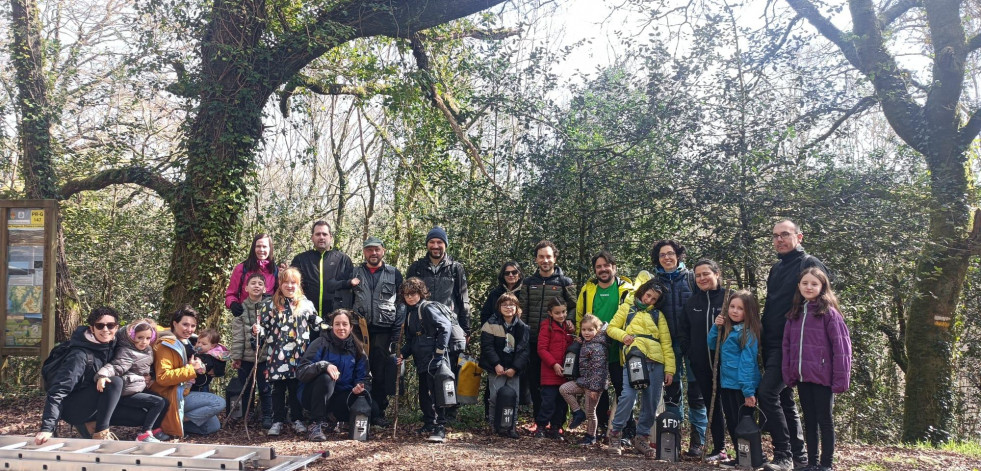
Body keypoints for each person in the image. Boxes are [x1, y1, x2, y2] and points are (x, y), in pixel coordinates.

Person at [761, 219, 830, 471]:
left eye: (785, 235)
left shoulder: (808, 264)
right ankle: (799, 456)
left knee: (767, 392)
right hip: (770, 342)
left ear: (799, 237)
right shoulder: (776, 268)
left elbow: (824, 303)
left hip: (791, 344)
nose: (779, 239)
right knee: (784, 397)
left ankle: (784, 454)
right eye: (775, 235)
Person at [37, 307, 161, 444]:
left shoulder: (113, 343)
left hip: (99, 401)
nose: (105, 330)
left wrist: (148, 376)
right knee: (115, 382)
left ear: (116, 327)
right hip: (74, 407)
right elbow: (59, 390)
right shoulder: (79, 355)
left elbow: (137, 347)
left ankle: (91, 424)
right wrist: (47, 427)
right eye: (100, 325)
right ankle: (101, 432)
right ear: (92, 328)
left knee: (142, 416)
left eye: (110, 325)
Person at [782, 268, 852, 471]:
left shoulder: (829, 313)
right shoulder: (794, 314)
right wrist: (789, 373)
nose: (809, 287)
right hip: (804, 377)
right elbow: (787, 347)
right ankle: (811, 463)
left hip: (823, 377)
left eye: (814, 284)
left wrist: (840, 379)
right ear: (799, 286)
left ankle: (826, 464)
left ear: (822, 287)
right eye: (805, 283)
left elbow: (842, 348)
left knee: (825, 420)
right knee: (809, 420)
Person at [406, 226, 471, 420]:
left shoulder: (455, 268)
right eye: (432, 242)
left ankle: (449, 412)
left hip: (449, 327)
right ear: (427, 244)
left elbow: (463, 300)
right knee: (426, 372)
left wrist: (466, 329)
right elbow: (409, 296)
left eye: (439, 242)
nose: (435, 246)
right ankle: (429, 415)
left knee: (448, 370)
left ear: (445, 245)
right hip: (424, 329)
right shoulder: (417, 267)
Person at [606, 273, 674, 458]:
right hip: (635, 359)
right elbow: (611, 328)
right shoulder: (627, 308)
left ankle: (641, 438)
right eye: (648, 295)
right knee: (628, 396)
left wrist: (670, 369)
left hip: (657, 362)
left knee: (651, 403)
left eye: (654, 298)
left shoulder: (657, 315)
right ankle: (615, 434)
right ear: (643, 291)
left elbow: (666, 343)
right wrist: (623, 337)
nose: (649, 299)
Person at [651, 239, 708, 456]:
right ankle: (672, 438)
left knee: (697, 391)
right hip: (668, 344)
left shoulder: (693, 278)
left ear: (678, 255)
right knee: (672, 392)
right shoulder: (655, 283)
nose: (667, 257)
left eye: (670, 253)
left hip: (693, 342)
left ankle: (698, 441)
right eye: (662, 254)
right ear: (658, 258)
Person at [678, 259, 732, 462]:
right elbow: (683, 331)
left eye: (705, 274)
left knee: (732, 406)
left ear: (717, 274)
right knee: (713, 406)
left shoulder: (729, 298)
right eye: (698, 275)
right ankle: (720, 448)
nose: (702, 278)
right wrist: (691, 353)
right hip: (701, 365)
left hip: (729, 366)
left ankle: (744, 449)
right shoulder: (692, 303)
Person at [575, 250, 633, 440]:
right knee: (596, 389)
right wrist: (580, 336)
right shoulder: (588, 289)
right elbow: (580, 315)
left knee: (622, 388)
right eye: (598, 266)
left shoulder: (626, 289)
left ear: (614, 267)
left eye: (606, 265)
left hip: (618, 348)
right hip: (594, 349)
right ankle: (600, 428)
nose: (603, 269)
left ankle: (624, 429)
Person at [259, 267, 323, 436]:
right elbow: (262, 329)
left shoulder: (306, 304)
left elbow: (316, 325)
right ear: (280, 284)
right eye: (285, 282)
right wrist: (257, 333)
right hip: (276, 355)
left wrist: (325, 324)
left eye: (293, 283)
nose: (289, 286)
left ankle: (297, 419)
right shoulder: (269, 305)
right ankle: (277, 420)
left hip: (299, 356)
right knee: (277, 389)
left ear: (298, 284)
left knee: (296, 388)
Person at [521, 240, 577, 424]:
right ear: (536, 259)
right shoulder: (529, 282)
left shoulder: (564, 282)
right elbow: (523, 309)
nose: (545, 260)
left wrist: (569, 318)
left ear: (555, 258)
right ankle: (539, 421)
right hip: (534, 340)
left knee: (560, 383)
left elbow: (575, 306)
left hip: (558, 343)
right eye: (541, 257)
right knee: (536, 382)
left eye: (548, 256)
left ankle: (558, 423)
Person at [350, 236, 404, 425]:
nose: (373, 253)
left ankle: (379, 412)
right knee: (360, 370)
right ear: (364, 252)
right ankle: (361, 408)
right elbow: (347, 299)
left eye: (377, 249)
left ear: (383, 251)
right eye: (369, 250)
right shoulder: (355, 272)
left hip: (384, 330)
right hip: (359, 330)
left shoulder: (394, 273)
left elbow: (402, 303)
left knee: (380, 372)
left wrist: (397, 334)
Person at [150, 305, 226, 438]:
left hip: (185, 390)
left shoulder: (191, 342)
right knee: (218, 402)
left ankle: (169, 424)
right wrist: (192, 369)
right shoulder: (166, 345)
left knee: (213, 426)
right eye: (185, 324)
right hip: (172, 394)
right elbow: (163, 377)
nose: (189, 329)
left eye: (193, 325)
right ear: (175, 323)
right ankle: (170, 421)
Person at [298, 309, 371, 442]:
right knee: (326, 378)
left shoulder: (357, 348)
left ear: (351, 327)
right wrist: (323, 366)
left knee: (373, 408)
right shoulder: (321, 342)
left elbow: (364, 377)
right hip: (313, 395)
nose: (341, 328)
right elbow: (302, 371)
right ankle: (316, 424)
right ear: (332, 326)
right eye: (337, 324)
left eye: (345, 324)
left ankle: (335, 419)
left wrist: (359, 388)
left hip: (341, 396)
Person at [708, 291, 762, 466]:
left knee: (744, 423)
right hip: (727, 384)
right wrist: (716, 326)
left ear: (749, 311)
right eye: (732, 307)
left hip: (742, 387)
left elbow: (747, 364)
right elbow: (711, 344)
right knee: (732, 421)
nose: (735, 311)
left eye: (740, 308)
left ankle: (752, 457)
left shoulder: (748, 333)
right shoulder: (727, 329)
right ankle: (741, 457)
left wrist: (748, 391)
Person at [397, 277, 452, 443]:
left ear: (421, 293)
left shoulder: (427, 308)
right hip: (421, 359)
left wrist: (439, 353)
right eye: (407, 294)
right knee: (424, 394)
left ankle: (440, 426)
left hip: (434, 359)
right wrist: (402, 355)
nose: (410, 297)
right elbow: (412, 339)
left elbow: (445, 327)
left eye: (413, 293)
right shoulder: (410, 313)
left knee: (437, 392)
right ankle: (429, 423)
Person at [95, 318, 168, 442]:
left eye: (147, 338)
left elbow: (147, 368)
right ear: (133, 336)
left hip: (137, 387)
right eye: (140, 338)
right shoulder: (127, 352)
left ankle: (154, 429)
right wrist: (101, 376)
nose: (143, 342)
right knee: (158, 402)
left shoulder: (148, 350)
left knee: (164, 402)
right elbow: (115, 366)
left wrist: (151, 377)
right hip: (127, 391)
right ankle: (144, 434)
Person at [479, 292, 529, 439]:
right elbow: (487, 347)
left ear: (517, 307)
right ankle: (494, 425)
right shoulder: (490, 324)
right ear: (499, 307)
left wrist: (514, 368)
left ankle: (511, 427)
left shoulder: (523, 327)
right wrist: (496, 364)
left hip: (514, 369)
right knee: (494, 397)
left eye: (511, 305)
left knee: (514, 398)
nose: (508, 308)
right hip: (496, 368)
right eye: (505, 305)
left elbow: (524, 351)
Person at [479, 261, 524, 420]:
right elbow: (484, 315)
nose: (511, 275)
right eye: (507, 273)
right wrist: (492, 328)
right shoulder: (495, 293)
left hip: (515, 349)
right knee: (493, 391)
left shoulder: (525, 291)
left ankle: (510, 422)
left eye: (514, 272)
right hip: (495, 346)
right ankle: (491, 419)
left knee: (515, 391)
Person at [230, 272, 274, 428]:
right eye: (253, 283)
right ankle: (248, 413)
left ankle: (267, 415)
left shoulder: (270, 307)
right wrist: (237, 357)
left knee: (265, 387)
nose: (257, 286)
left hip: (264, 357)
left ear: (265, 288)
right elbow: (238, 336)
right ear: (246, 287)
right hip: (246, 358)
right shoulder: (240, 309)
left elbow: (274, 331)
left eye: (260, 284)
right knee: (247, 387)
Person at [560, 314, 609, 446]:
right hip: (583, 381)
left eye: (590, 330)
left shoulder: (598, 347)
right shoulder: (587, 342)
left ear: (597, 330)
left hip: (594, 385)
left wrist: (594, 388)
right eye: (584, 330)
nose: (586, 333)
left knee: (591, 412)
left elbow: (599, 370)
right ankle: (577, 412)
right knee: (564, 389)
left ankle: (590, 436)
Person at [291, 221, 356, 316]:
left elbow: (351, 290)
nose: (321, 237)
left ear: (330, 237)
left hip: (336, 317)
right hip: (306, 316)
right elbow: (292, 286)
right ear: (312, 237)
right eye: (318, 234)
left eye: (324, 234)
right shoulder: (300, 259)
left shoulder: (343, 259)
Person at [536, 297, 576, 440]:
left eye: (564, 312)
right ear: (550, 313)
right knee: (548, 402)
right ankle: (541, 427)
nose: (562, 315)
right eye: (557, 313)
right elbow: (541, 349)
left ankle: (555, 428)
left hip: (566, 373)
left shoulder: (568, 327)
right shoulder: (546, 326)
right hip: (550, 373)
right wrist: (553, 364)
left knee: (561, 404)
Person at [226, 233, 278, 317]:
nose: (261, 250)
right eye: (258, 246)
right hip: (245, 318)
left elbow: (280, 295)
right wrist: (233, 304)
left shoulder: (275, 271)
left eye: (264, 247)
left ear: (270, 249)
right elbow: (231, 293)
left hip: (268, 319)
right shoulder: (242, 268)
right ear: (253, 248)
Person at [190, 329, 228, 393]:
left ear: (212, 346)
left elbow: (205, 368)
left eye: (204, 344)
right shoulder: (201, 352)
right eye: (198, 342)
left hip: (200, 385)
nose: (199, 345)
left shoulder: (212, 356)